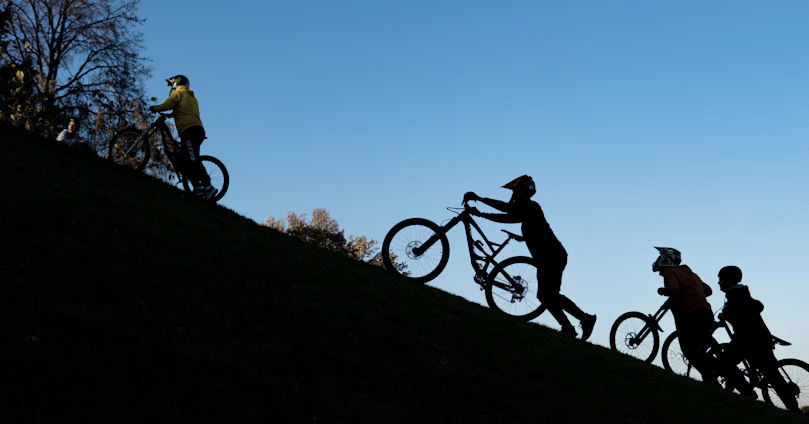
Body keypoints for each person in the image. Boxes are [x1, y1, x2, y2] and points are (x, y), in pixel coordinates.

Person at [463, 175, 597, 340]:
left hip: (552, 257)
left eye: (514, 191)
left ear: (520, 191)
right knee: (547, 295)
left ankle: (581, 321)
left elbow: (507, 215)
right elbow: (510, 212)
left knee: (549, 294)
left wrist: (481, 208)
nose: (512, 195)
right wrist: (481, 201)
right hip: (549, 257)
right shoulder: (526, 208)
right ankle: (573, 324)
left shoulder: (531, 207)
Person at [715, 265, 802, 413]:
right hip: (761, 338)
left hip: (748, 340)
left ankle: (748, 392)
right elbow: (758, 305)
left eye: (720, 280)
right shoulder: (742, 293)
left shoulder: (735, 296)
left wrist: (725, 315)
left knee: (724, 363)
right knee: (774, 377)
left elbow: (739, 312)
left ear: (728, 281)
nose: (718, 283)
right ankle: (795, 411)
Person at [653, 247, 720, 386]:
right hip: (706, 312)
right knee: (700, 348)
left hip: (690, 314)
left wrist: (664, 290)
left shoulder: (669, 272)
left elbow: (674, 289)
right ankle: (716, 376)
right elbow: (708, 291)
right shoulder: (691, 274)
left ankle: (713, 378)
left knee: (689, 350)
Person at [148, 75, 217, 200]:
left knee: (192, 158)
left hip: (189, 130)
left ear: (176, 83)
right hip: (195, 129)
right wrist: (171, 115)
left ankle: (208, 187)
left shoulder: (179, 92)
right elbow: (183, 110)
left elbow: (168, 104)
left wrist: (155, 108)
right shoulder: (190, 96)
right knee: (185, 160)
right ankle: (197, 189)